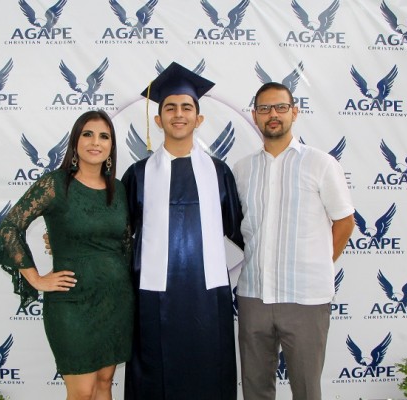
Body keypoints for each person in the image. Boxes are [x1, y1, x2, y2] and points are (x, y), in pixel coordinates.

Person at [0, 110, 134, 400]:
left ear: (111, 147)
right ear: (75, 142)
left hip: (115, 300)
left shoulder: (118, 189)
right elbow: (9, 228)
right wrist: (35, 278)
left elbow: (124, 243)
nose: (96, 142)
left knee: (105, 383)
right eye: (87, 134)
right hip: (71, 302)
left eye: (104, 136)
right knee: (81, 392)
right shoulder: (54, 184)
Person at [121, 62, 244, 400]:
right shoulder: (138, 175)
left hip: (208, 297)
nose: (178, 114)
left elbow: (234, 236)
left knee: (209, 374)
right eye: (170, 108)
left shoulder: (219, 173)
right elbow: (121, 236)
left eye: (186, 107)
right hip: (152, 298)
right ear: (158, 120)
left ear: (198, 119)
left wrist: (219, 276)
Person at [232, 82, 355, 400]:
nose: (273, 115)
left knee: (306, 390)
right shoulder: (242, 170)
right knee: (256, 389)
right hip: (253, 296)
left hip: (305, 300)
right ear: (255, 116)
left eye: (280, 107)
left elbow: (345, 221)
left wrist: (317, 264)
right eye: (264, 108)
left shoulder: (321, 164)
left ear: (294, 112)